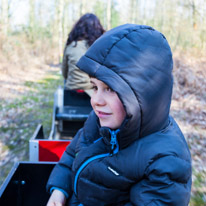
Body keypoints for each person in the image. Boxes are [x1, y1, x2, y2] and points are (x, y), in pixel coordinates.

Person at [46, 24, 192, 206]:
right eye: (94, 87)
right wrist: (59, 189)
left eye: (109, 89)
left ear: (143, 95)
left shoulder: (165, 161)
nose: (96, 100)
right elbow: (71, 155)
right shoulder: (96, 121)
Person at [62, 13, 105, 97]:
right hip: (92, 91)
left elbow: (64, 72)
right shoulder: (100, 46)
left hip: (71, 89)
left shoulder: (71, 45)